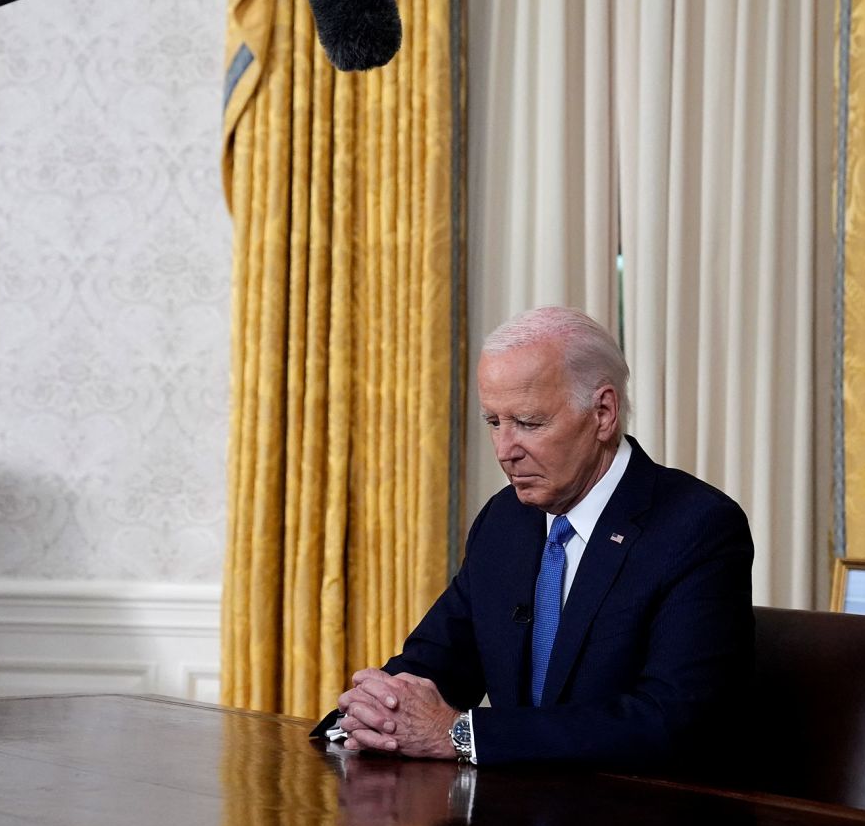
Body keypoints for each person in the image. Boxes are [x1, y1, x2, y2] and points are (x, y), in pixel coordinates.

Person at [319, 306, 754, 772]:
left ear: (603, 413)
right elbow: (434, 663)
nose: (506, 451)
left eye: (528, 423)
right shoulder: (505, 521)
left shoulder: (697, 526)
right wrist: (363, 718)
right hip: (514, 811)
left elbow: (670, 720)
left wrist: (460, 734)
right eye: (494, 422)